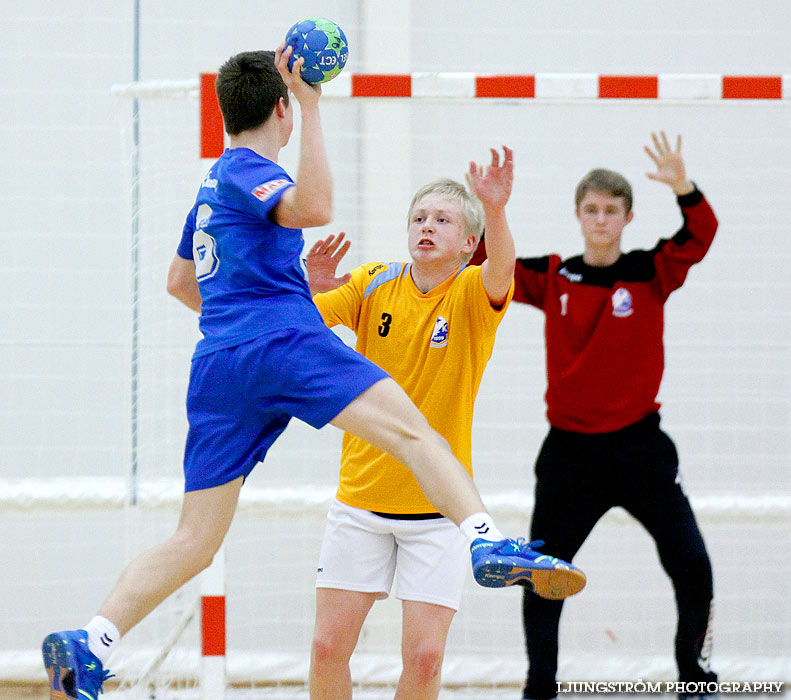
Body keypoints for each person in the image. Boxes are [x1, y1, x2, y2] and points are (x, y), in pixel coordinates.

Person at [41, 48, 573, 700]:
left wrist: (259, 305)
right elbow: (315, 204)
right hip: (279, 342)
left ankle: (93, 639)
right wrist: (317, 104)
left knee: (194, 539)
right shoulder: (248, 171)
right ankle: (487, 541)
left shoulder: (208, 190)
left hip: (218, 363)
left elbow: (180, 283)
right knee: (413, 433)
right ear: (281, 109)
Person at [305, 150, 587, 700]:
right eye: (418, 218)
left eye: (443, 220)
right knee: (325, 649)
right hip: (359, 503)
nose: (426, 227)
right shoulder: (370, 283)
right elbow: (301, 324)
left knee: (427, 659)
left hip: (437, 515)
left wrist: (495, 209)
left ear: (467, 244)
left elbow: (503, 267)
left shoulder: (473, 293)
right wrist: (308, 286)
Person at [471, 132, 718, 700]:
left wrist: (682, 186)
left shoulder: (652, 270)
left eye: (612, 210)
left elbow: (701, 235)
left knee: (693, 566)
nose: (601, 219)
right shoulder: (555, 275)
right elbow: (487, 260)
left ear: (628, 216)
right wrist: (491, 207)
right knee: (542, 576)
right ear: (578, 215)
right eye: (592, 209)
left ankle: (696, 681)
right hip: (569, 455)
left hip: (641, 449)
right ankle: (541, 690)